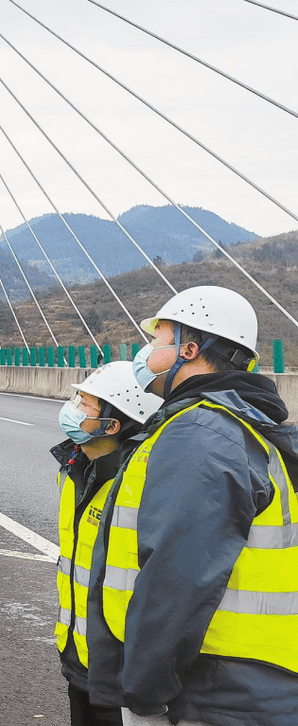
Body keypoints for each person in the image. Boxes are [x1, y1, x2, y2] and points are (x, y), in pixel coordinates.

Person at [86, 285, 298, 726]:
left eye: (157, 339)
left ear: (189, 348)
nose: (146, 352)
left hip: (213, 689)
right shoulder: (237, 425)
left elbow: (177, 575)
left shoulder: (201, 432)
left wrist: (145, 690)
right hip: (248, 682)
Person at [51, 361, 162, 726]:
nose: (72, 409)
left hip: (123, 672)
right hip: (78, 655)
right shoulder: (76, 468)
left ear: (111, 426)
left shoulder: (141, 485)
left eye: (84, 403)